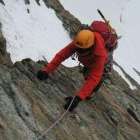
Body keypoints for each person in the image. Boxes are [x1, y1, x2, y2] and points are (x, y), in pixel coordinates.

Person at [37, 26, 117, 112]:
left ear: (90, 47)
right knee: (87, 73)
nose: (79, 51)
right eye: (78, 49)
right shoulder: (79, 42)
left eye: (82, 50)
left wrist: (78, 98)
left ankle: (91, 92)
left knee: (95, 78)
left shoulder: (101, 55)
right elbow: (61, 55)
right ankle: (87, 75)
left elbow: (94, 77)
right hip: (89, 59)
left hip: (103, 63)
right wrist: (46, 71)